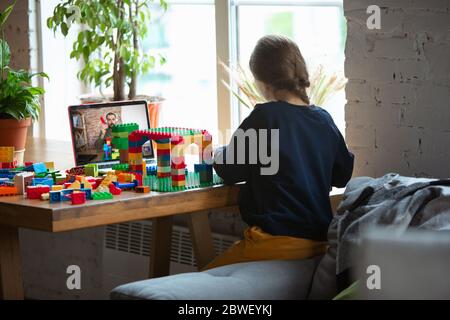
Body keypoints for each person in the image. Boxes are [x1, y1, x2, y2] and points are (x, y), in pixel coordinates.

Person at [208, 35, 354, 269]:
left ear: (263, 82)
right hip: (320, 243)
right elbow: (342, 175)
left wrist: (215, 153)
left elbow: (230, 170)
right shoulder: (324, 119)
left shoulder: (265, 117)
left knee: (206, 276)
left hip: (275, 242)